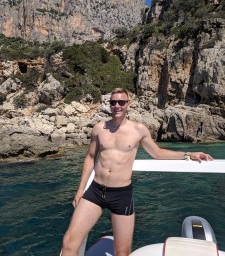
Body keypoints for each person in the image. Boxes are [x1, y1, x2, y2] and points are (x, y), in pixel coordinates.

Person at [61, 88, 213, 256]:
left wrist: (188, 155)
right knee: (69, 243)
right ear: (109, 105)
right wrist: (81, 189)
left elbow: (158, 153)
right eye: (113, 102)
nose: (117, 106)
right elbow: (90, 157)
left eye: (121, 102)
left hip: (121, 195)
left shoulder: (138, 130)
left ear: (128, 104)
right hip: (95, 191)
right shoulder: (99, 129)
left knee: (122, 252)